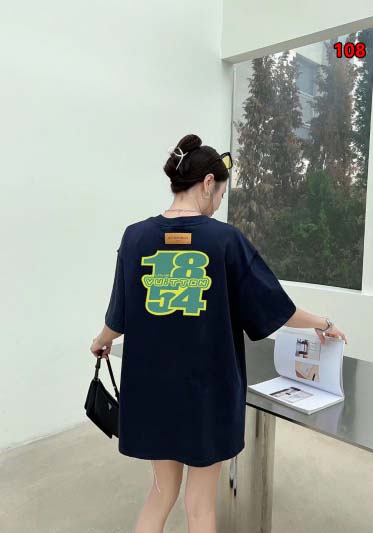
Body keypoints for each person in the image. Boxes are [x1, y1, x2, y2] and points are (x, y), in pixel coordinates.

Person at [90, 133, 348, 533]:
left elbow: (119, 315)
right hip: (206, 393)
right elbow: (276, 307)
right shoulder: (225, 241)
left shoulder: (135, 236)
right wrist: (323, 323)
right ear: (208, 182)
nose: (218, 204)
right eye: (221, 194)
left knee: (161, 491)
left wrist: (101, 341)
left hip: (152, 390)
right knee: (200, 507)